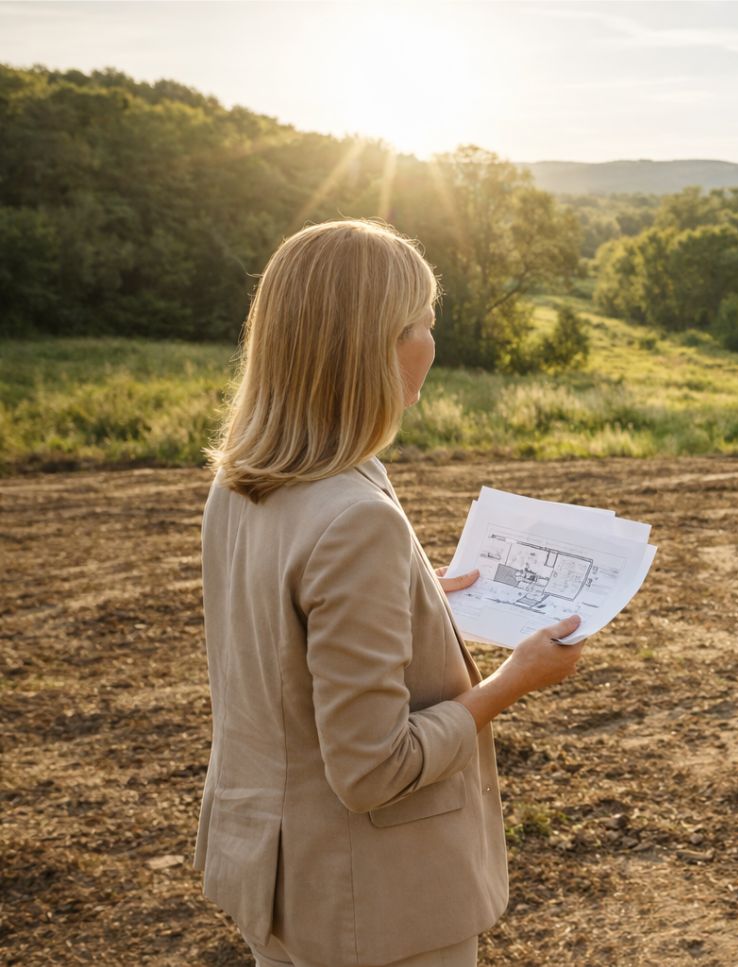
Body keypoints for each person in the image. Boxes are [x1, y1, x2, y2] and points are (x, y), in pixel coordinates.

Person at [195, 219, 586, 967]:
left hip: (278, 880)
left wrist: (414, 598)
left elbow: (282, 641)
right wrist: (512, 680)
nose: (431, 346)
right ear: (373, 346)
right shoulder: (356, 515)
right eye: (424, 324)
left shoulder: (241, 481)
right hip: (372, 910)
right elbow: (374, 770)